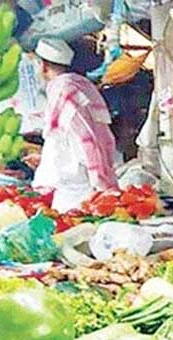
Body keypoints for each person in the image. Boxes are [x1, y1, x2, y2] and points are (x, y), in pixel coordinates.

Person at [24, 38, 119, 212]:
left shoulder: (62, 89)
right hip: (88, 182)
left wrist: (45, 175)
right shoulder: (81, 86)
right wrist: (43, 160)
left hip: (76, 191)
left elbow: (74, 140)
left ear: (43, 66)